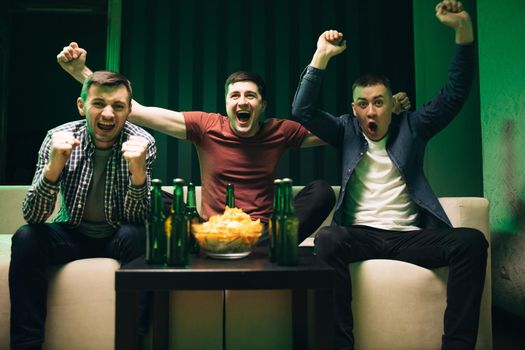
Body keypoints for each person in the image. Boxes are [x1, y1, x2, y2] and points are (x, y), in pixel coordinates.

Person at [57, 44, 410, 243]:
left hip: (265, 230)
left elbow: (346, 130)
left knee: (320, 191)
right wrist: (85, 77)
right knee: (153, 195)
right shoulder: (205, 126)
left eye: (251, 96)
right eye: (236, 95)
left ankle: (270, 245)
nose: (243, 101)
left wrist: (385, 110)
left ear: (262, 105)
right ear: (227, 104)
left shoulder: (279, 130)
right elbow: (137, 111)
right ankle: (204, 245)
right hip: (208, 229)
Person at [290, 1, 488, 349]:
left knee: (471, 242)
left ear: (391, 106)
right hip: (360, 234)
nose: (371, 110)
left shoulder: (413, 125)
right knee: (328, 239)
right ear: (354, 108)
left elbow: (455, 95)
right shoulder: (345, 130)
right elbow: (301, 110)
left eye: (379, 102)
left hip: (410, 236)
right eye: (363, 103)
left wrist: (463, 32)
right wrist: (321, 56)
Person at [9, 70, 156, 350]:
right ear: (82, 106)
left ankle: (134, 340)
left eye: (118, 106)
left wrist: (138, 176)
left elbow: (137, 217)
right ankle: (26, 344)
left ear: (128, 111)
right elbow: (34, 216)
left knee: (140, 236)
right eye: (99, 103)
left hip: (118, 233)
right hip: (71, 233)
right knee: (26, 236)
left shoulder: (142, 142)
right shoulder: (57, 137)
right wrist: (53, 169)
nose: (108, 114)